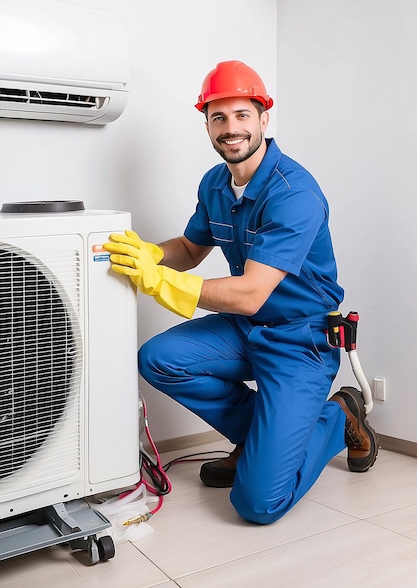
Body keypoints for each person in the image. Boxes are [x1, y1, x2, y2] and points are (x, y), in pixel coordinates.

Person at [103, 60, 378, 525]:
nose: (231, 129)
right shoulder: (214, 183)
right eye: (219, 118)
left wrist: (161, 282)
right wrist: (151, 254)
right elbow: (190, 249)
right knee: (157, 358)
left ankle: (337, 416)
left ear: (264, 119)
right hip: (246, 329)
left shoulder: (293, 193)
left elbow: (250, 292)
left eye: (242, 116)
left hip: (300, 340)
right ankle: (262, 443)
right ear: (207, 124)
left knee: (257, 504)